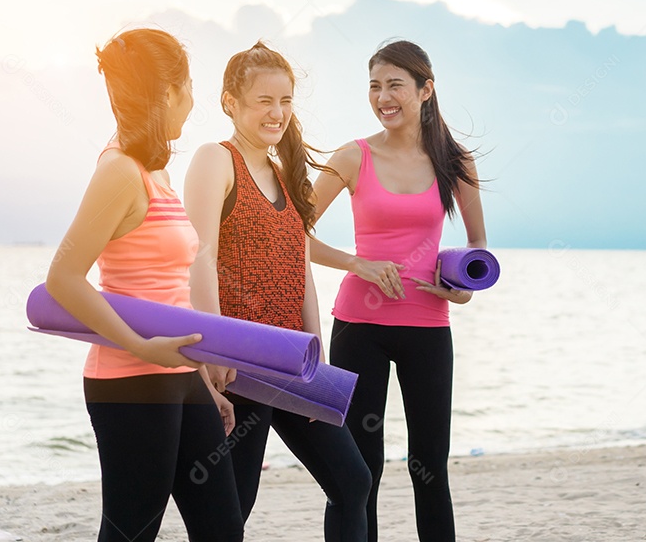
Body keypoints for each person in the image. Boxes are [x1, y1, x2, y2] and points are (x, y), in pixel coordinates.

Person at [45, 29, 243, 542]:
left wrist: (201, 384)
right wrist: (139, 346)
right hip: (128, 381)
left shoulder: (156, 170)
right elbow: (64, 278)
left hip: (178, 375)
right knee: (131, 533)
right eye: (189, 86)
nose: (193, 100)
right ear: (167, 93)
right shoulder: (120, 171)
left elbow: (169, 291)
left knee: (223, 529)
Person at [184, 41, 378, 542]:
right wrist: (211, 348)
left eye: (286, 101)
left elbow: (300, 264)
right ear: (230, 102)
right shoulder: (215, 159)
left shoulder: (286, 172)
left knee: (353, 482)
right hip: (239, 362)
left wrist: (314, 357)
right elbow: (199, 256)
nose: (277, 113)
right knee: (232, 512)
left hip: (292, 360)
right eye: (263, 101)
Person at [311, 39, 487, 542]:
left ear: (425, 90)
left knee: (428, 466)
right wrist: (357, 264)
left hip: (428, 327)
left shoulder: (455, 160)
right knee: (361, 471)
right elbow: (293, 235)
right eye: (374, 86)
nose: (383, 97)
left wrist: (463, 287)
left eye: (395, 86)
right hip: (359, 327)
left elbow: (478, 248)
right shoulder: (352, 156)